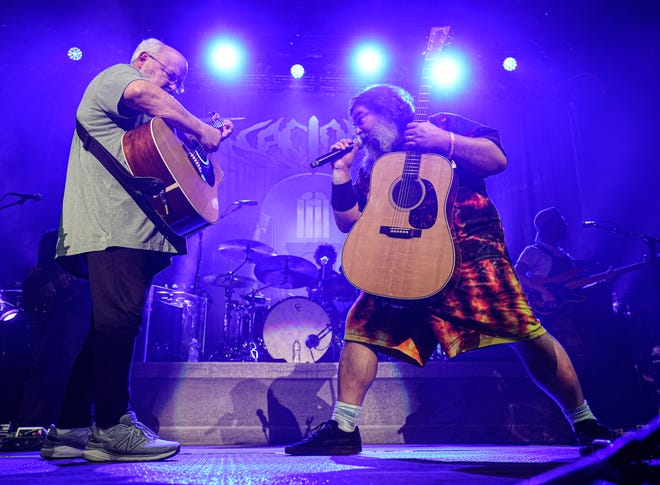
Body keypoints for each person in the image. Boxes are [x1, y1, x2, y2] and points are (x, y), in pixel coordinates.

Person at [284, 84, 617, 457]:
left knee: (526, 332)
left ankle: (585, 421)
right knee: (362, 323)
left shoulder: (442, 125)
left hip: (472, 256)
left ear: (387, 109)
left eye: (361, 118)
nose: (357, 129)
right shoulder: (374, 162)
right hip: (401, 262)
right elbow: (349, 223)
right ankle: (343, 428)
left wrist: (445, 140)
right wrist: (341, 172)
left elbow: (497, 160)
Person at [40, 38, 233, 462]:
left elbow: (174, 170)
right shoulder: (117, 77)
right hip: (112, 228)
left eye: (180, 84)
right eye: (171, 76)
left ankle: (70, 429)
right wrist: (199, 127)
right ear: (144, 60)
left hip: (130, 231)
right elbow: (144, 92)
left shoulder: (142, 127)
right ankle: (112, 426)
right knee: (118, 325)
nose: (174, 89)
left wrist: (201, 144)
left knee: (106, 328)